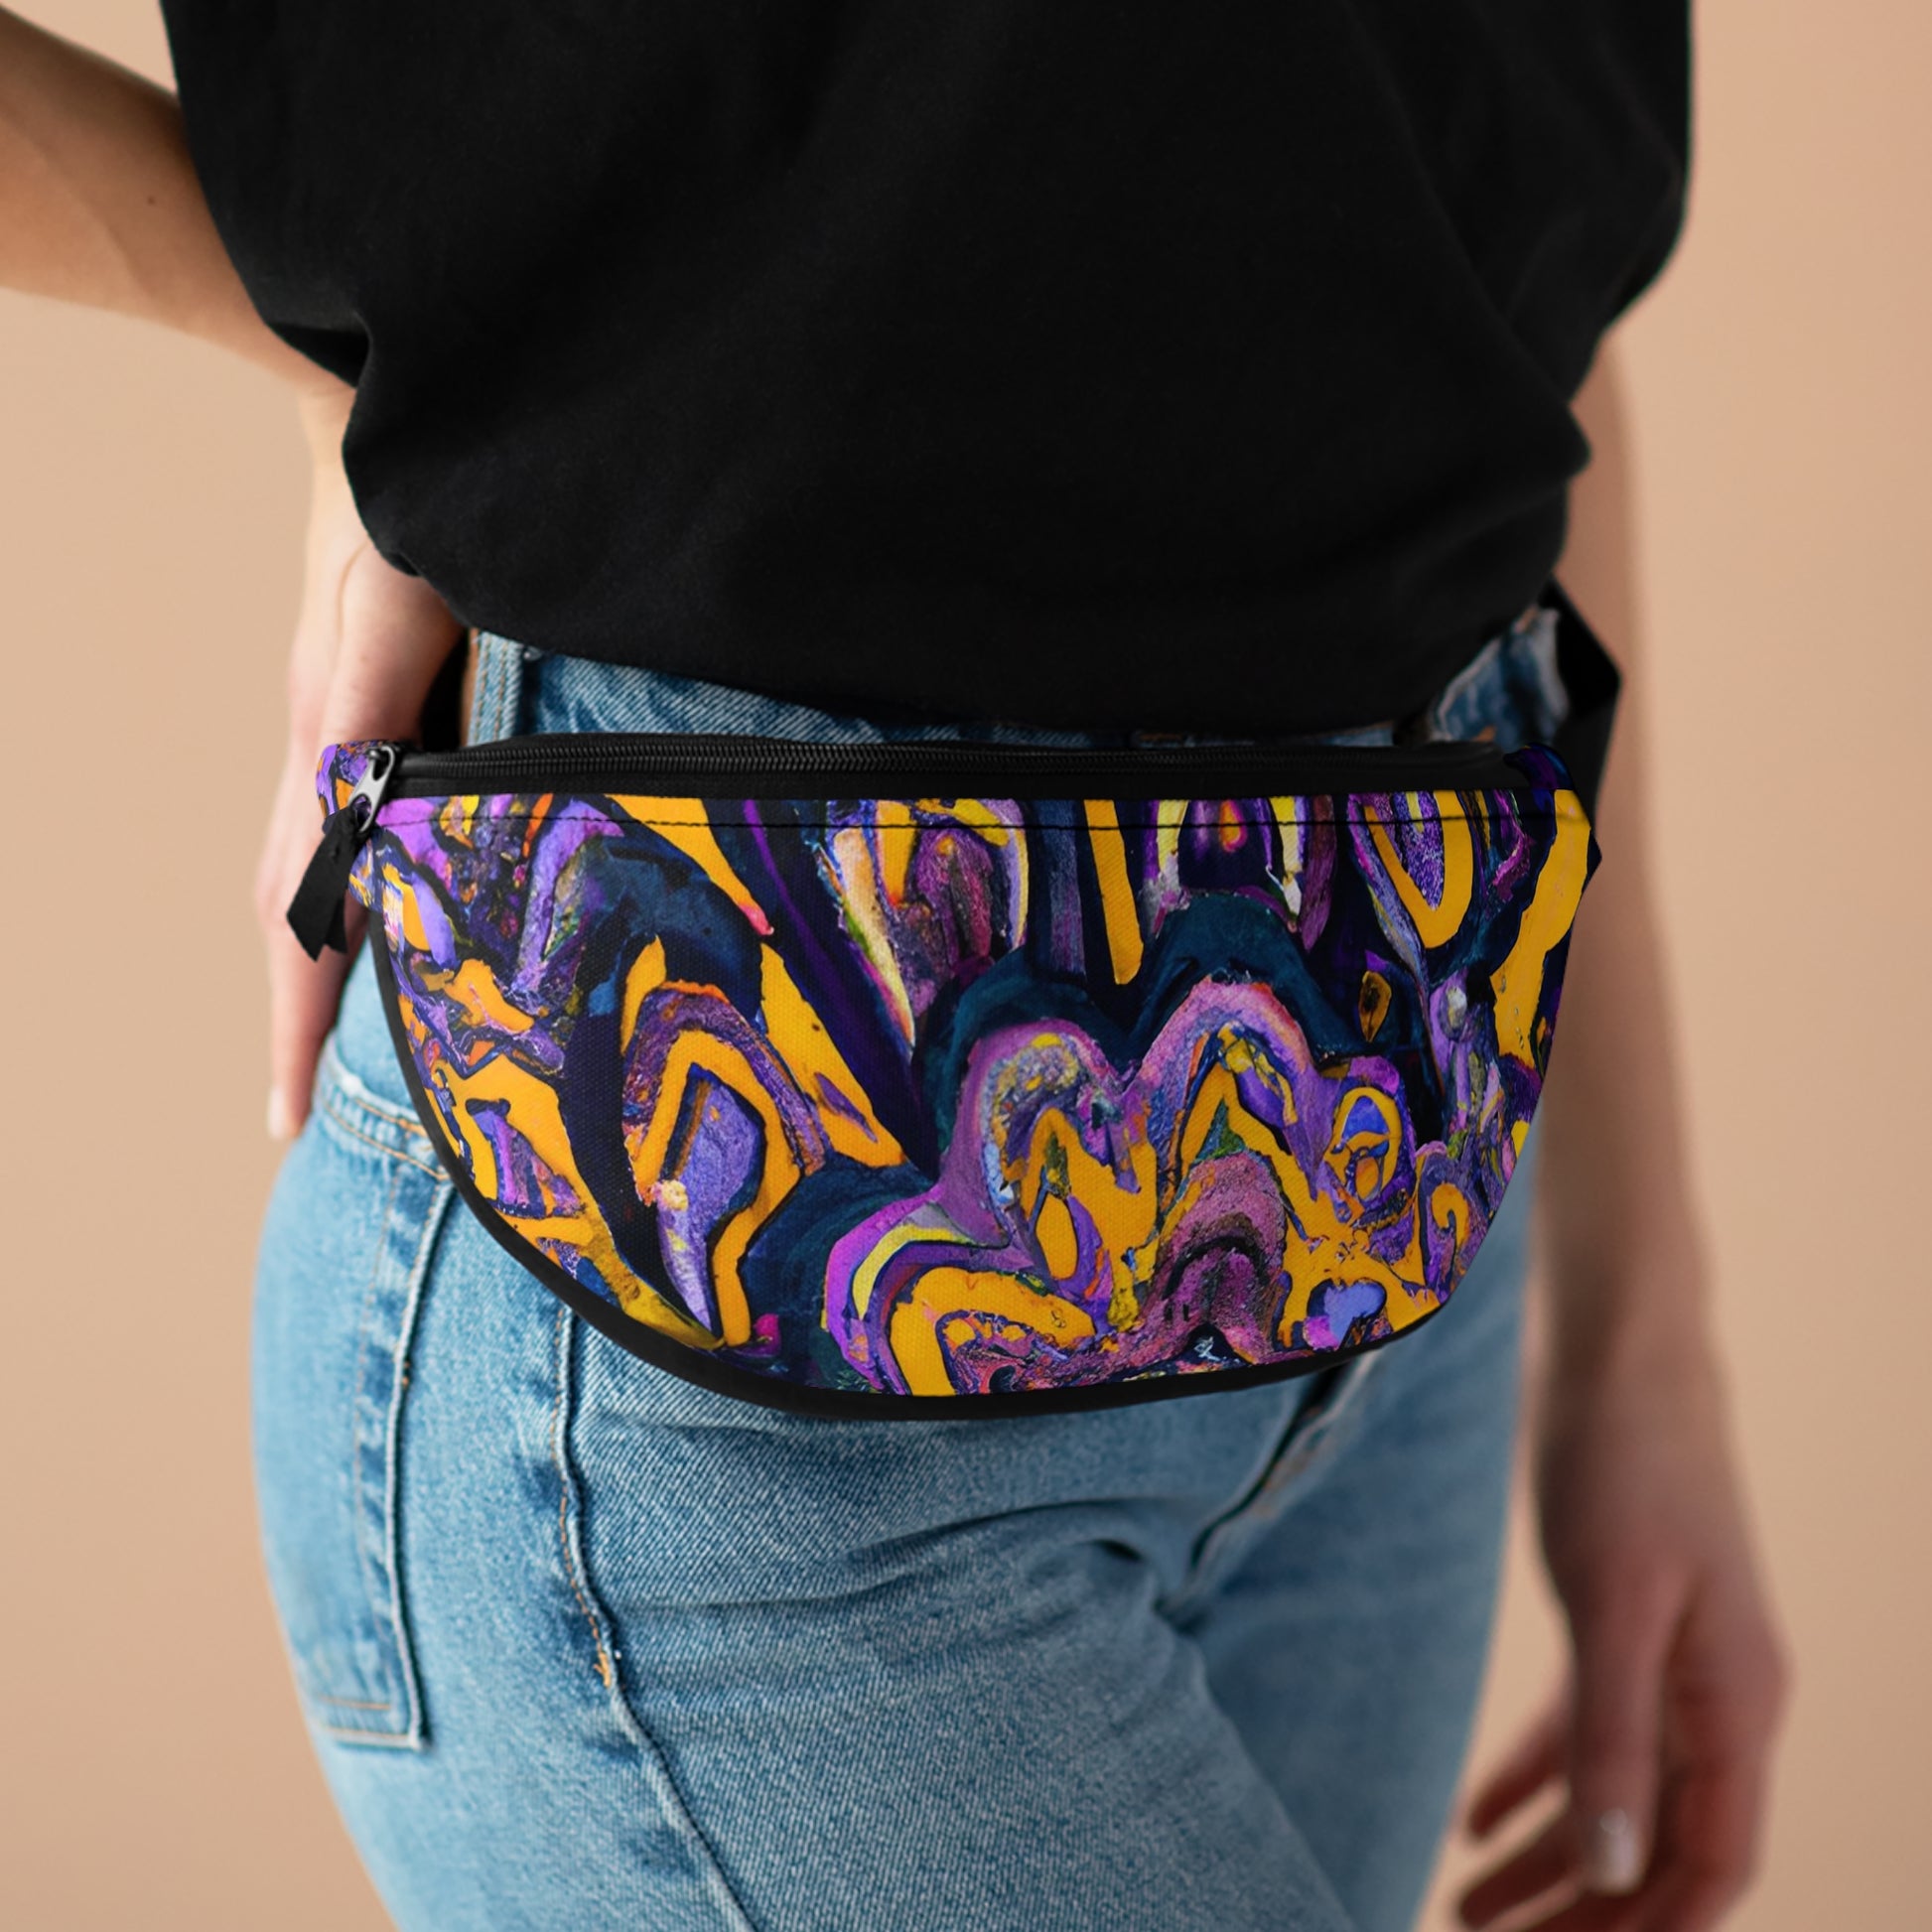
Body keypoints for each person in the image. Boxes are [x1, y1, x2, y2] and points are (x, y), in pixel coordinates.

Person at [1, 8, 1788, 1929]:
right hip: (718, 1302)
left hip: (1408, 1157)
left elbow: (1501, 267)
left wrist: (1642, 1331)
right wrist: (352, 376)